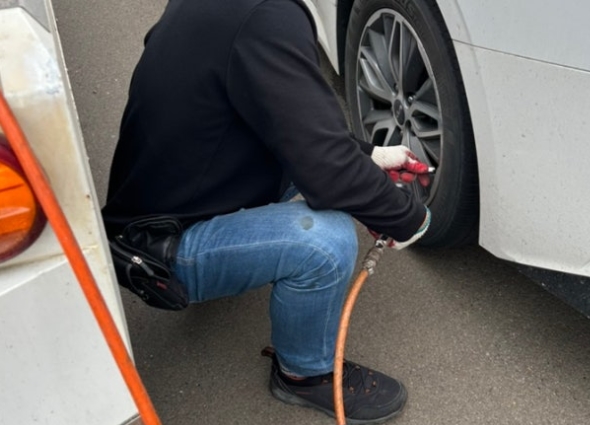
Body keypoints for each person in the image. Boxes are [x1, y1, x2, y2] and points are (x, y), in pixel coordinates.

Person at [102, 0, 431, 423]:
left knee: (324, 174)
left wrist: (369, 157)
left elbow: (291, 118)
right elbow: (327, 169)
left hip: (168, 199)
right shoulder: (267, 18)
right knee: (326, 243)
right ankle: (303, 375)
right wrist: (408, 220)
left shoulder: (236, 11)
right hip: (159, 252)